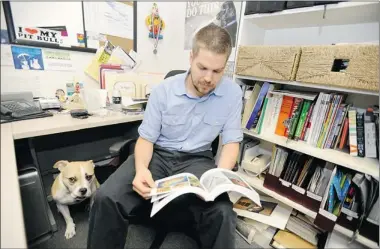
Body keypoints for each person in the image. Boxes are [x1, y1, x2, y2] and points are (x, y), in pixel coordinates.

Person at [87, 23, 243, 249]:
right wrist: (141, 169)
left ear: (225, 67)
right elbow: (146, 140)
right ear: (191, 58)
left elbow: (231, 142)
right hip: (157, 155)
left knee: (222, 212)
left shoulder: (232, 94)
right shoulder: (163, 91)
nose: (208, 78)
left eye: (217, 71)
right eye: (202, 68)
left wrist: (220, 179)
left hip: (198, 159)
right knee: (106, 198)